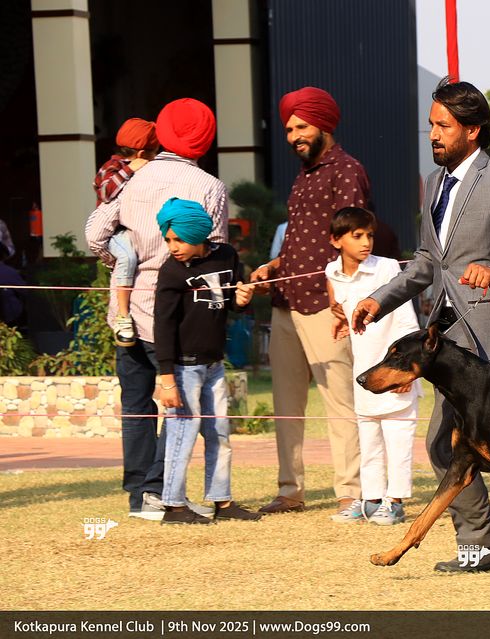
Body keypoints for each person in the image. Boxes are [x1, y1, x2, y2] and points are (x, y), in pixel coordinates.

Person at [352, 77, 490, 572]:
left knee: (485, 444)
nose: (433, 135)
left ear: (473, 130)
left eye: (443, 126)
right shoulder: (434, 182)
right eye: (431, 125)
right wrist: (380, 299)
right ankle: (489, 538)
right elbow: (429, 261)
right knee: (448, 445)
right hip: (446, 343)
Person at [86, 98, 228, 520]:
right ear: (206, 139)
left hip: (127, 310)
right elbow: (214, 251)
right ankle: (157, 492)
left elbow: (95, 236)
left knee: (137, 406)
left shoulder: (132, 177)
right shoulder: (209, 186)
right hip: (178, 315)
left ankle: (138, 497)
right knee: (178, 405)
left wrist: (123, 260)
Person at [249, 87, 369, 516]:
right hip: (286, 301)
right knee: (286, 406)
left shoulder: (347, 171)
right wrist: (272, 266)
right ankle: (289, 491)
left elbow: (353, 241)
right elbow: (304, 242)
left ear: (323, 125)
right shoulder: (304, 175)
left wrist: (343, 300)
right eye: (288, 129)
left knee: (339, 402)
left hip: (325, 304)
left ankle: (351, 493)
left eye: (301, 127)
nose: (293, 136)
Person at [153, 198, 261, 525]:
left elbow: (231, 302)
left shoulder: (226, 256)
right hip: (183, 368)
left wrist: (242, 299)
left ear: (198, 234)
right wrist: (167, 379)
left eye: (179, 239)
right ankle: (173, 506)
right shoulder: (171, 272)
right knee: (182, 433)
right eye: (168, 239)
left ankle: (222, 501)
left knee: (220, 432)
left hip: (214, 363)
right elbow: (163, 326)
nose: (173, 247)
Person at [325, 207, 421, 525]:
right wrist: (339, 319)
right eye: (357, 236)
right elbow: (340, 306)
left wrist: (408, 370)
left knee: (398, 437)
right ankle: (370, 499)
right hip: (363, 371)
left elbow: (406, 321)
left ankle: (395, 501)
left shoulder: (388, 268)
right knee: (368, 439)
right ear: (336, 240)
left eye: (369, 235)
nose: (366, 242)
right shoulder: (332, 272)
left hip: (395, 370)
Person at [92, 117, 160, 347]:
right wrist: (130, 169)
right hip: (116, 232)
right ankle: (123, 316)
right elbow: (105, 193)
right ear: (141, 153)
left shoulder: (150, 169)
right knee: (128, 257)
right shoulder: (113, 166)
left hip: (135, 229)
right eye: (155, 152)